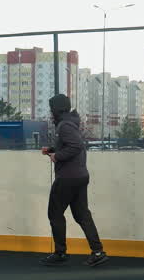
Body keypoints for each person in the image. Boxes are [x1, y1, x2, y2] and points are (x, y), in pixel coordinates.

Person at [40, 94, 108, 267]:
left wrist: (57, 156)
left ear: (56, 109)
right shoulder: (70, 123)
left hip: (67, 178)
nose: (50, 112)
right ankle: (98, 252)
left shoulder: (64, 125)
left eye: (51, 108)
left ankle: (60, 253)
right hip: (79, 176)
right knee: (82, 215)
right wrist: (52, 149)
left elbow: (76, 146)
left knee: (54, 214)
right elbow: (71, 144)